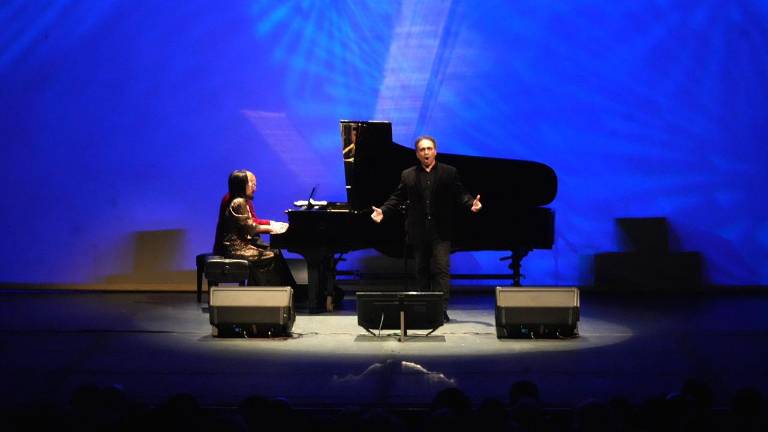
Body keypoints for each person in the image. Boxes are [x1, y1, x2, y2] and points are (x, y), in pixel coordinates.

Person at [371, 136, 481, 321]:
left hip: (441, 231)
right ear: (417, 154)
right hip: (418, 231)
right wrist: (383, 211)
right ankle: (423, 308)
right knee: (421, 271)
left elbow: (460, 193)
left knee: (441, 270)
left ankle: (441, 309)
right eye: (422, 150)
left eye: (429, 148)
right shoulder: (408, 175)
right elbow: (396, 197)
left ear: (435, 151)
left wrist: (471, 203)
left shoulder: (449, 172)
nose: (426, 152)